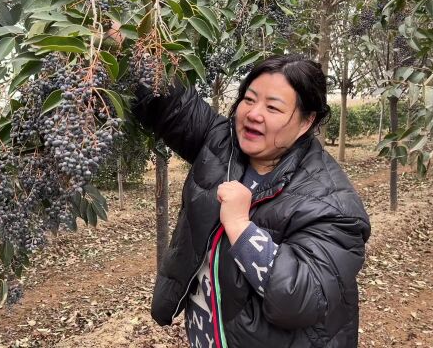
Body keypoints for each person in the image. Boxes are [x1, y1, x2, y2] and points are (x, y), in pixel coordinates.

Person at [132, 54, 371, 347]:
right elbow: (171, 104)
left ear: (307, 121)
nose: (254, 114)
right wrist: (130, 50)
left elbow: (302, 299)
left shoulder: (332, 204)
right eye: (249, 99)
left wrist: (241, 227)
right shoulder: (222, 145)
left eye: (272, 107)